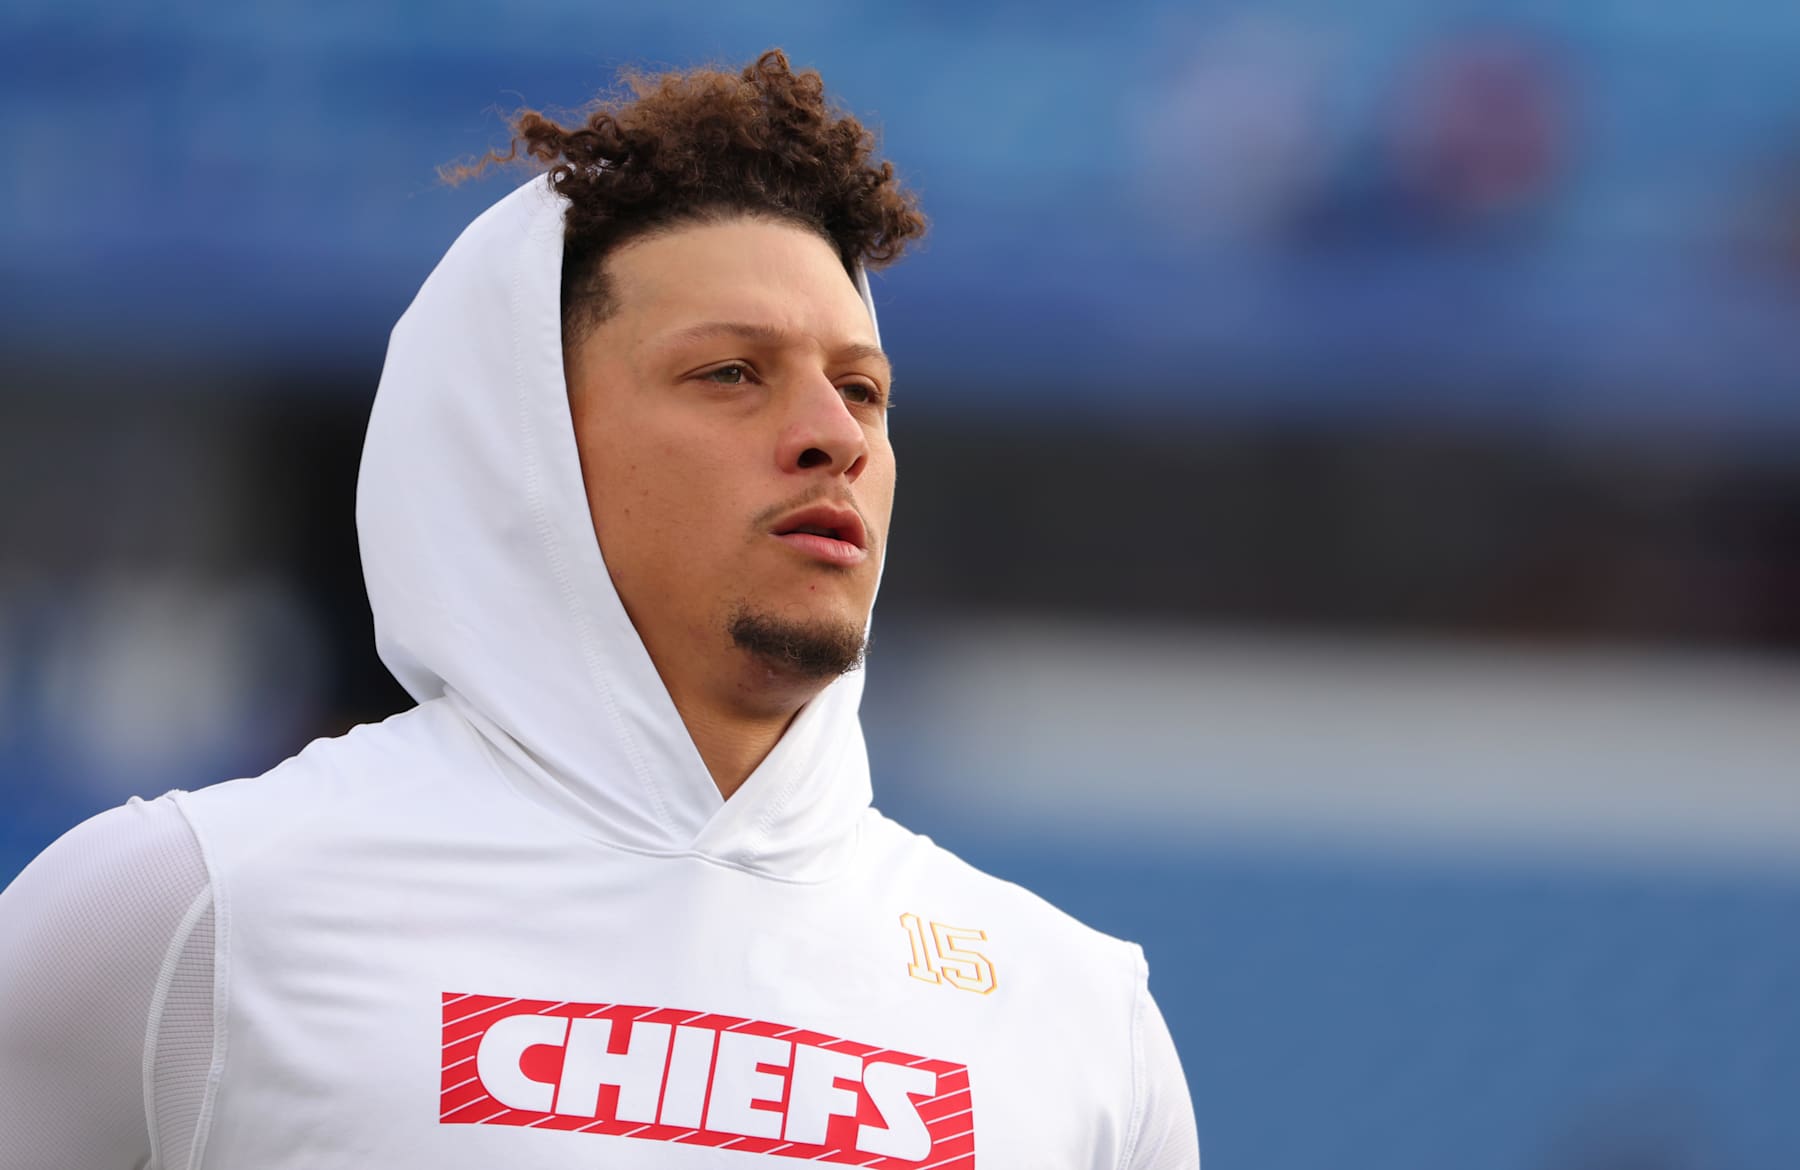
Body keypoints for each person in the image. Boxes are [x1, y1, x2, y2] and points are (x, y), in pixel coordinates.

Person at [0, 50, 1199, 1168]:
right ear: (527, 440)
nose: (834, 437)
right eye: (731, 372)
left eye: (862, 389)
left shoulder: (1084, 1028)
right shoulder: (184, 915)